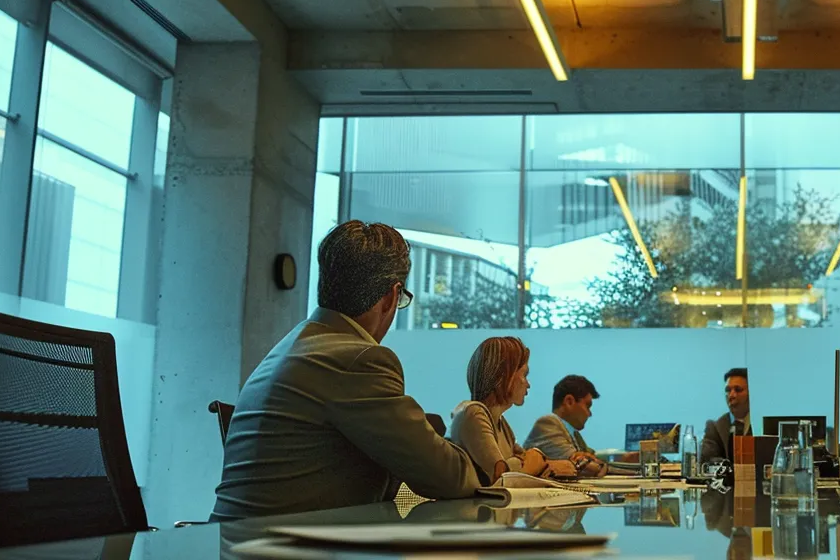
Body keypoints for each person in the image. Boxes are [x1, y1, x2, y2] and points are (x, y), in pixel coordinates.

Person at [212, 221, 481, 520]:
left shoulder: (294, 346)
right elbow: (453, 478)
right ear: (392, 297)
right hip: (283, 549)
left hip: (236, 543)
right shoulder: (358, 360)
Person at [449, 336, 579, 483]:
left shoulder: (501, 423)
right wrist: (530, 460)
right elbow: (502, 478)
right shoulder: (473, 413)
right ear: (505, 374)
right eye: (524, 374)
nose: (528, 384)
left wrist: (531, 462)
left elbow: (527, 464)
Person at [524, 374, 631, 476]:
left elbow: (594, 457)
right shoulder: (548, 423)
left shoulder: (574, 434)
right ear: (569, 401)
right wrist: (598, 464)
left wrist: (624, 458)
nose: (589, 414)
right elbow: (587, 468)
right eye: (588, 406)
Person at [699, 368, 751, 462]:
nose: (731, 395)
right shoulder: (715, 427)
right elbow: (707, 459)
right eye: (728, 390)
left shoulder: (761, 424)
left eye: (738, 390)